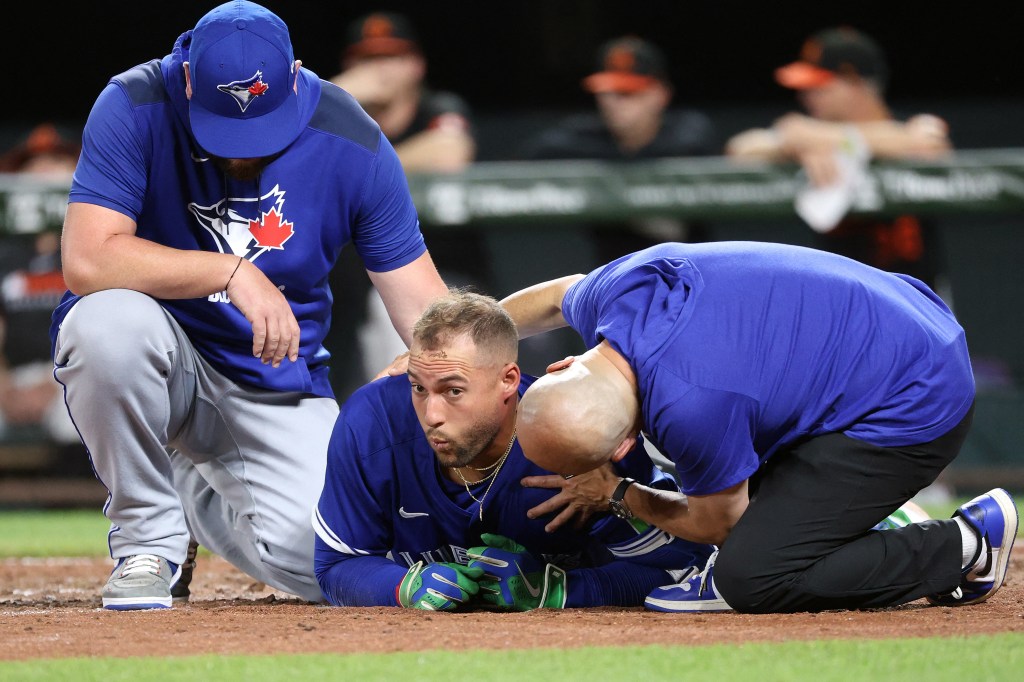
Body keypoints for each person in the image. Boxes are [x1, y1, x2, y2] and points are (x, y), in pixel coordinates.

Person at [50, 1, 447, 611]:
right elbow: (87, 260)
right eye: (222, 129)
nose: (242, 152)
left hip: (273, 376)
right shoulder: (136, 104)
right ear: (186, 79)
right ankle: (148, 540)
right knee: (104, 326)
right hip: (160, 354)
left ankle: (197, 501)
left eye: (261, 128)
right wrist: (231, 271)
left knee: (333, 566)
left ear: (295, 78)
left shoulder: (350, 136)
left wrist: (450, 373)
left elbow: (426, 309)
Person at [501, 241, 1017, 613]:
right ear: (562, 365)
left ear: (622, 444)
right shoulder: (617, 295)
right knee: (741, 463)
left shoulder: (691, 407)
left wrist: (617, 492)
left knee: (751, 577)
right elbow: (551, 299)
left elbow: (715, 523)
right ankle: (855, 515)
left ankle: (965, 544)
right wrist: (461, 346)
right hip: (901, 316)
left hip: (916, 397)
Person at [312, 291, 715, 610]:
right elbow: (335, 565)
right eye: (419, 387)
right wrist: (402, 586)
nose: (431, 414)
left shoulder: (574, 434)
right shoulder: (374, 423)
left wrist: (564, 591)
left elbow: (683, 565)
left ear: (508, 381)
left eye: (453, 390)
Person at [326, 11, 482, 398]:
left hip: (444, 269)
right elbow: (295, 145)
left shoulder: (438, 106)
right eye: (368, 60)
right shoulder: (339, 117)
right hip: (353, 286)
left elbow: (449, 151)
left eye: (392, 57)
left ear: (416, 65)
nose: (381, 71)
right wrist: (335, 93)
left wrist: (360, 167)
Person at [725, 27, 951, 287]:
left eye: (818, 87)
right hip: (843, 295)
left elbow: (926, 144)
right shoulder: (806, 138)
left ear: (853, 81)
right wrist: (795, 142)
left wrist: (813, 136)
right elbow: (741, 148)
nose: (805, 97)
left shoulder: (912, 126)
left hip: (916, 293)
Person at [525, 36, 719, 262]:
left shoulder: (687, 131)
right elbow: (535, 154)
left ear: (660, 94)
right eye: (606, 92)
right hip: (613, 274)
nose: (612, 102)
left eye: (626, 93)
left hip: (690, 271)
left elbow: (696, 144)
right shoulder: (583, 136)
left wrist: (623, 161)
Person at [0, 124, 81, 447]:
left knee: (81, 415)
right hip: (12, 378)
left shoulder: (96, 248)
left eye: (57, 160)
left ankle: (98, 498)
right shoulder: (6, 252)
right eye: (33, 164)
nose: (44, 171)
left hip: (76, 375)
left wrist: (53, 383)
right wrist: (4, 387)